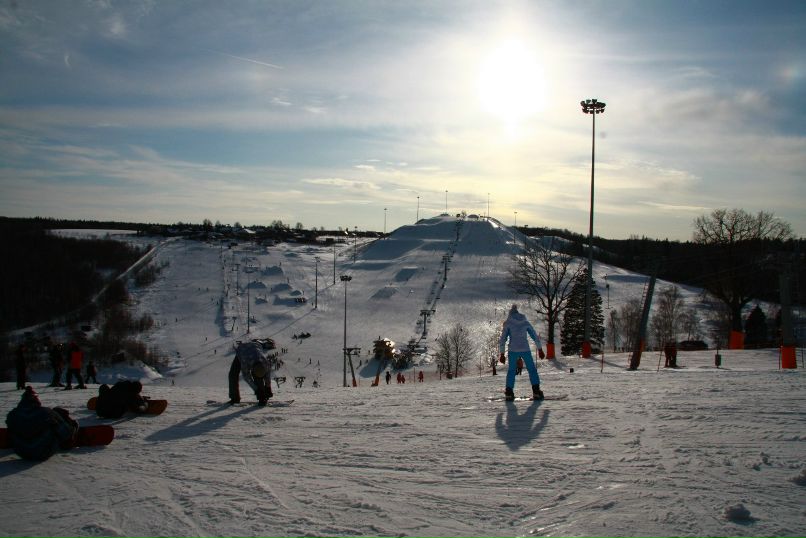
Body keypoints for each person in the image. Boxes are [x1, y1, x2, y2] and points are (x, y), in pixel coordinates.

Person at [5, 386, 78, 461]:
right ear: (36, 399)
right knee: (58, 416)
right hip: (43, 453)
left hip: (21, 453)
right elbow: (66, 433)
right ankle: (66, 443)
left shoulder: (12, 414)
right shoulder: (47, 412)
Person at [499, 304, 546, 401]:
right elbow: (534, 335)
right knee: (532, 369)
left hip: (513, 350)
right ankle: (536, 391)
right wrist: (540, 349)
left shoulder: (508, 323)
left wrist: (502, 354)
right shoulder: (525, 322)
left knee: (511, 371)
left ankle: (509, 392)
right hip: (525, 349)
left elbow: (503, 339)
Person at [229, 341, 273, 405]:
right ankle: (234, 398)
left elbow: (268, 375)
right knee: (233, 374)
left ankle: (262, 398)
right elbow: (247, 378)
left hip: (256, 347)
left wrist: (268, 387)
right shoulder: (245, 361)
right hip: (242, 351)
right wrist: (256, 390)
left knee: (258, 377)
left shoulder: (265, 362)